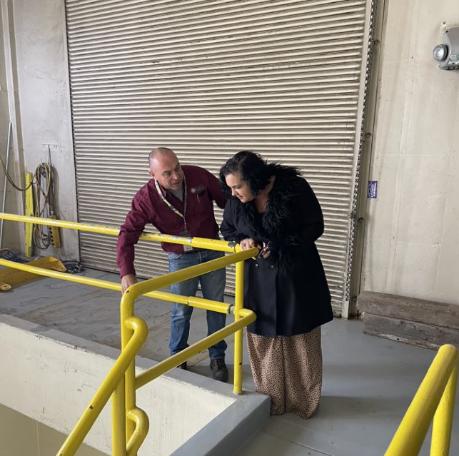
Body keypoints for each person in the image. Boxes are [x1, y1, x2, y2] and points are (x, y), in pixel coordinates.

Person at [219, 150, 333, 417]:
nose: (233, 193)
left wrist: (282, 246)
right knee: (263, 339)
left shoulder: (293, 188)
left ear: (256, 179)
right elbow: (228, 229)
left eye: (238, 186)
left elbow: (315, 225)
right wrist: (244, 240)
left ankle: (304, 401)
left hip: (295, 275)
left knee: (300, 339)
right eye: (230, 187)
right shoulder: (236, 200)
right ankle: (270, 400)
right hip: (258, 279)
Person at [117, 147, 229, 382]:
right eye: (167, 173)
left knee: (216, 306)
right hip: (181, 259)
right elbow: (128, 233)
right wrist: (126, 272)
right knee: (181, 310)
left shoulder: (198, 176)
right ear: (152, 174)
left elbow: (229, 202)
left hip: (213, 251)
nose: (176, 176)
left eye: (177, 168)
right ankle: (178, 356)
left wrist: (237, 234)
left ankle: (217, 356)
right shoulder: (145, 198)